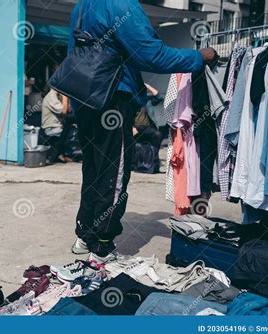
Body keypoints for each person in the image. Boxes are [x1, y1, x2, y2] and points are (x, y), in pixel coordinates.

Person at [69, 0, 217, 263]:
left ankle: (85, 235)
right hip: (111, 99)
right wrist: (199, 57)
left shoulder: (82, 5)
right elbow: (152, 55)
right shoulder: (122, 5)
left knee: (93, 168)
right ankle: (103, 245)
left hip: (85, 96)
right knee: (114, 170)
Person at [41, 88, 74, 163]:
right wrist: (65, 97)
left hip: (56, 126)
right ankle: (62, 154)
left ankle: (61, 154)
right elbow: (64, 111)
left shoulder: (56, 96)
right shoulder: (51, 96)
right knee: (72, 132)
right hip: (51, 128)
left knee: (70, 125)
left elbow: (69, 109)